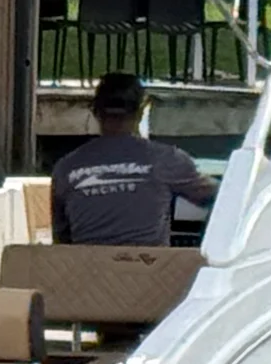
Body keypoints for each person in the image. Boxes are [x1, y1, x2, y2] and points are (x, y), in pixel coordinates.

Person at [53, 72, 214, 244]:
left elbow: (62, 238)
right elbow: (221, 199)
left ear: (95, 111)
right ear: (141, 111)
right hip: (148, 260)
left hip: (86, 261)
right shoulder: (167, 159)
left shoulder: (66, 167)